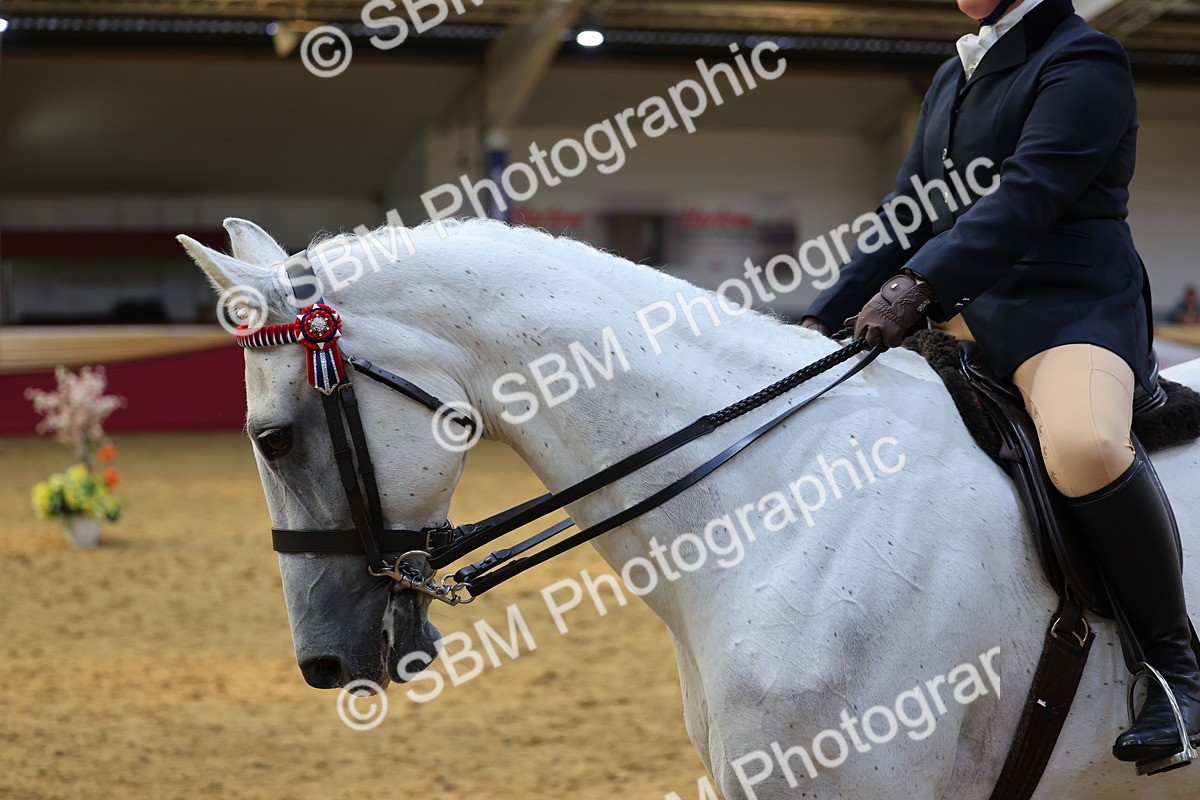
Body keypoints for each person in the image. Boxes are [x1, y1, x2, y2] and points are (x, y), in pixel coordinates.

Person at [801, 0, 1199, 767]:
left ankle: (1177, 671)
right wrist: (825, 314)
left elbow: (1030, 193)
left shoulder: (1085, 61)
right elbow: (906, 212)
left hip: (1068, 310)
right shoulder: (955, 72)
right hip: (965, 316)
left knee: (1083, 447)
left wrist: (916, 287)